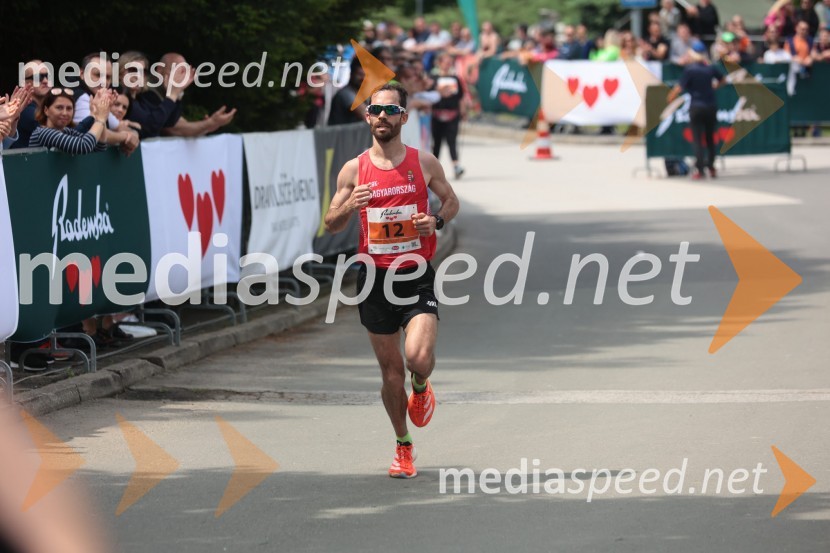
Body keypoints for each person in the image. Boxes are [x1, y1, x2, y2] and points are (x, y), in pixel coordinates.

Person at [323, 82, 460, 479]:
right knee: (389, 372)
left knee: (416, 359)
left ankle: (422, 385)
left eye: (391, 110)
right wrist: (351, 204)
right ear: (368, 116)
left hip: (416, 274)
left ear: (403, 116)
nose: (382, 117)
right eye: (376, 111)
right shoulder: (354, 169)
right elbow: (331, 224)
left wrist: (434, 220)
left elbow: (452, 201)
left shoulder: (424, 162)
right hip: (373, 279)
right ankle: (403, 446)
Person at [133, 52, 236, 137]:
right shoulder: (148, 92)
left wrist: (207, 126)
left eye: (184, 73)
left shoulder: (168, 94)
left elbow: (178, 122)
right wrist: (208, 124)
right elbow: (171, 129)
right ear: (159, 70)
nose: (181, 78)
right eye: (178, 71)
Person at [667, 41, 726, 180]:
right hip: (710, 106)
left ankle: (699, 169)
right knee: (711, 138)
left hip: (697, 106)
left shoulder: (690, 69)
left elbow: (679, 87)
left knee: (697, 139)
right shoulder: (710, 68)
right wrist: (715, 87)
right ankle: (711, 167)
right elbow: (723, 80)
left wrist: (670, 97)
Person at [29, 88, 112, 155]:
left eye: (69, 108)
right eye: (59, 108)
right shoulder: (43, 133)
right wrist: (100, 119)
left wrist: (99, 113)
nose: (65, 113)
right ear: (46, 110)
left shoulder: (67, 131)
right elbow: (83, 146)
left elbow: (100, 146)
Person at [431, 52, 466, 179]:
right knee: (437, 142)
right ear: (439, 63)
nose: (447, 65)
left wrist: (463, 111)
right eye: (445, 63)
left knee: (452, 141)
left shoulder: (456, 78)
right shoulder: (433, 78)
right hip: (437, 114)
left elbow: (460, 97)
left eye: (449, 63)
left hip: (453, 114)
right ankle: (434, 169)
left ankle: (456, 166)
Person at [10, 60, 53, 149]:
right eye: (38, 77)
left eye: (48, 76)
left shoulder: (45, 109)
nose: (45, 80)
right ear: (25, 83)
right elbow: (57, 138)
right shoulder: (25, 111)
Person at [327, 57, 368, 125]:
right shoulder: (345, 94)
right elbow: (366, 115)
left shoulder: (362, 95)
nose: (363, 79)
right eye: (360, 74)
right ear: (351, 74)